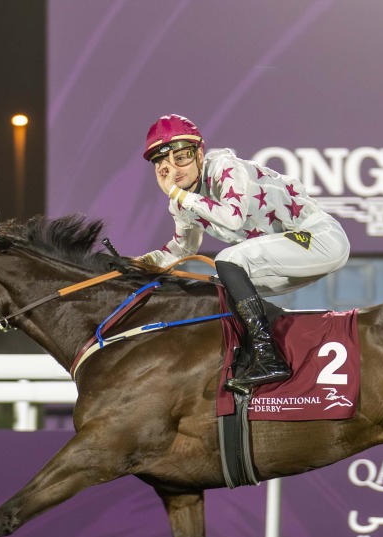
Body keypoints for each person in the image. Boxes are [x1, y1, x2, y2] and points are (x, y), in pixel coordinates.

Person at [136, 114, 351, 393]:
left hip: (319, 239)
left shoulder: (225, 167)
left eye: (182, 157)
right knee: (221, 287)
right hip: (289, 254)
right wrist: (143, 262)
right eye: (163, 165)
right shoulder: (182, 204)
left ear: (200, 153)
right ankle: (264, 353)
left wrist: (178, 194)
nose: (174, 169)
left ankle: (268, 356)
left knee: (227, 260)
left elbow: (232, 218)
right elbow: (181, 249)